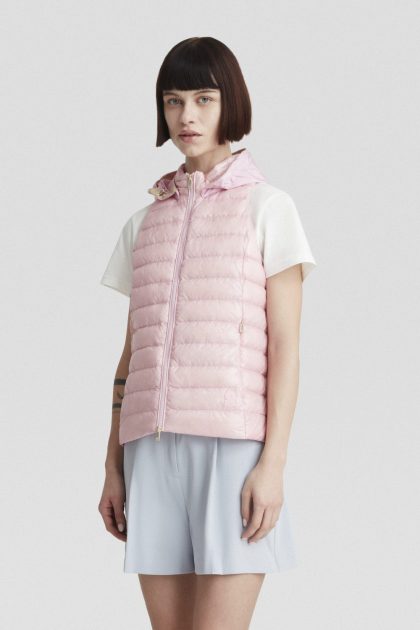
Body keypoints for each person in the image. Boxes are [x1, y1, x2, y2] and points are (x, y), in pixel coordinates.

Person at [98, 36, 317, 630]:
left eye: (202, 98)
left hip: (232, 451)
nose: (186, 116)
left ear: (230, 104)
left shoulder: (268, 208)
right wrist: (113, 467)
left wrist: (272, 464)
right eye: (173, 101)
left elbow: (286, 349)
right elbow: (132, 355)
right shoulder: (144, 223)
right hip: (149, 451)